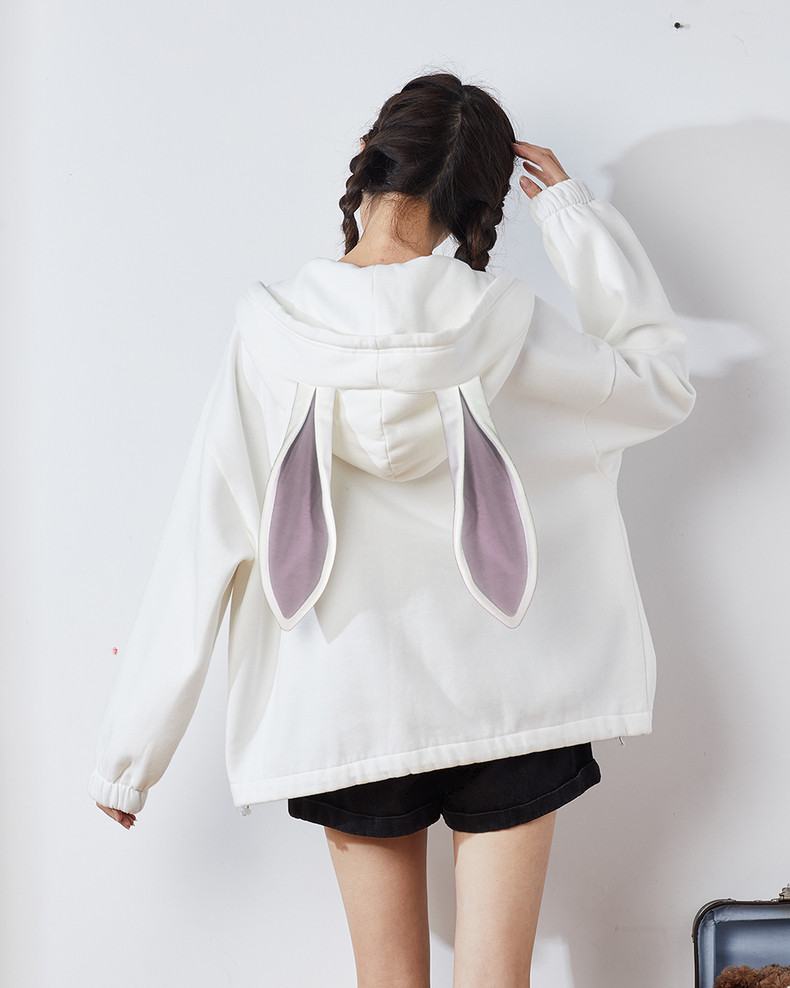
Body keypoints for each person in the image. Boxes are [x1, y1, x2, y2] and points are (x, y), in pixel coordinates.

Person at [91, 71, 695, 987]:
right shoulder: (504, 324)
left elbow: (202, 537)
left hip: (347, 700)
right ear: (479, 205)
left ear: (369, 164)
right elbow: (656, 385)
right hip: (513, 692)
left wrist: (130, 759)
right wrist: (573, 216)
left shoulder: (272, 333)